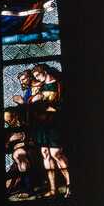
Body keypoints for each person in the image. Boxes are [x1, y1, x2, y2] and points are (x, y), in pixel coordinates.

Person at [29, 64, 70, 197]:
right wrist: (34, 101)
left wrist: (51, 108)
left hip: (54, 125)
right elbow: (33, 104)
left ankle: (70, 185)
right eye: (35, 76)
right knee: (45, 154)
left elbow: (64, 104)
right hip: (42, 126)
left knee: (56, 154)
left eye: (38, 75)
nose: (37, 78)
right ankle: (53, 189)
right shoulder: (40, 87)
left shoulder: (59, 85)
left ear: (45, 72)